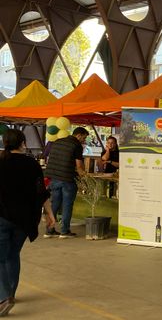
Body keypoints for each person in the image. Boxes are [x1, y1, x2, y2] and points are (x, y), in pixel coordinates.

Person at [0, 129, 56, 316]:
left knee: (1, 257)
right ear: (22, 143)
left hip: (2, 217)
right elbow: (41, 192)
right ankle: (11, 294)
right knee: (12, 255)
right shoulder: (32, 164)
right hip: (24, 220)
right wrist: (50, 214)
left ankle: (3, 297)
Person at [43, 126, 89, 238]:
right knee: (67, 205)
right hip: (67, 178)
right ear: (79, 135)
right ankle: (65, 231)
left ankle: (49, 230)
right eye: (84, 138)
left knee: (54, 204)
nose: (84, 140)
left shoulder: (57, 142)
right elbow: (79, 166)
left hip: (54, 177)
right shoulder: (76, 145)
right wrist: (85, 175)